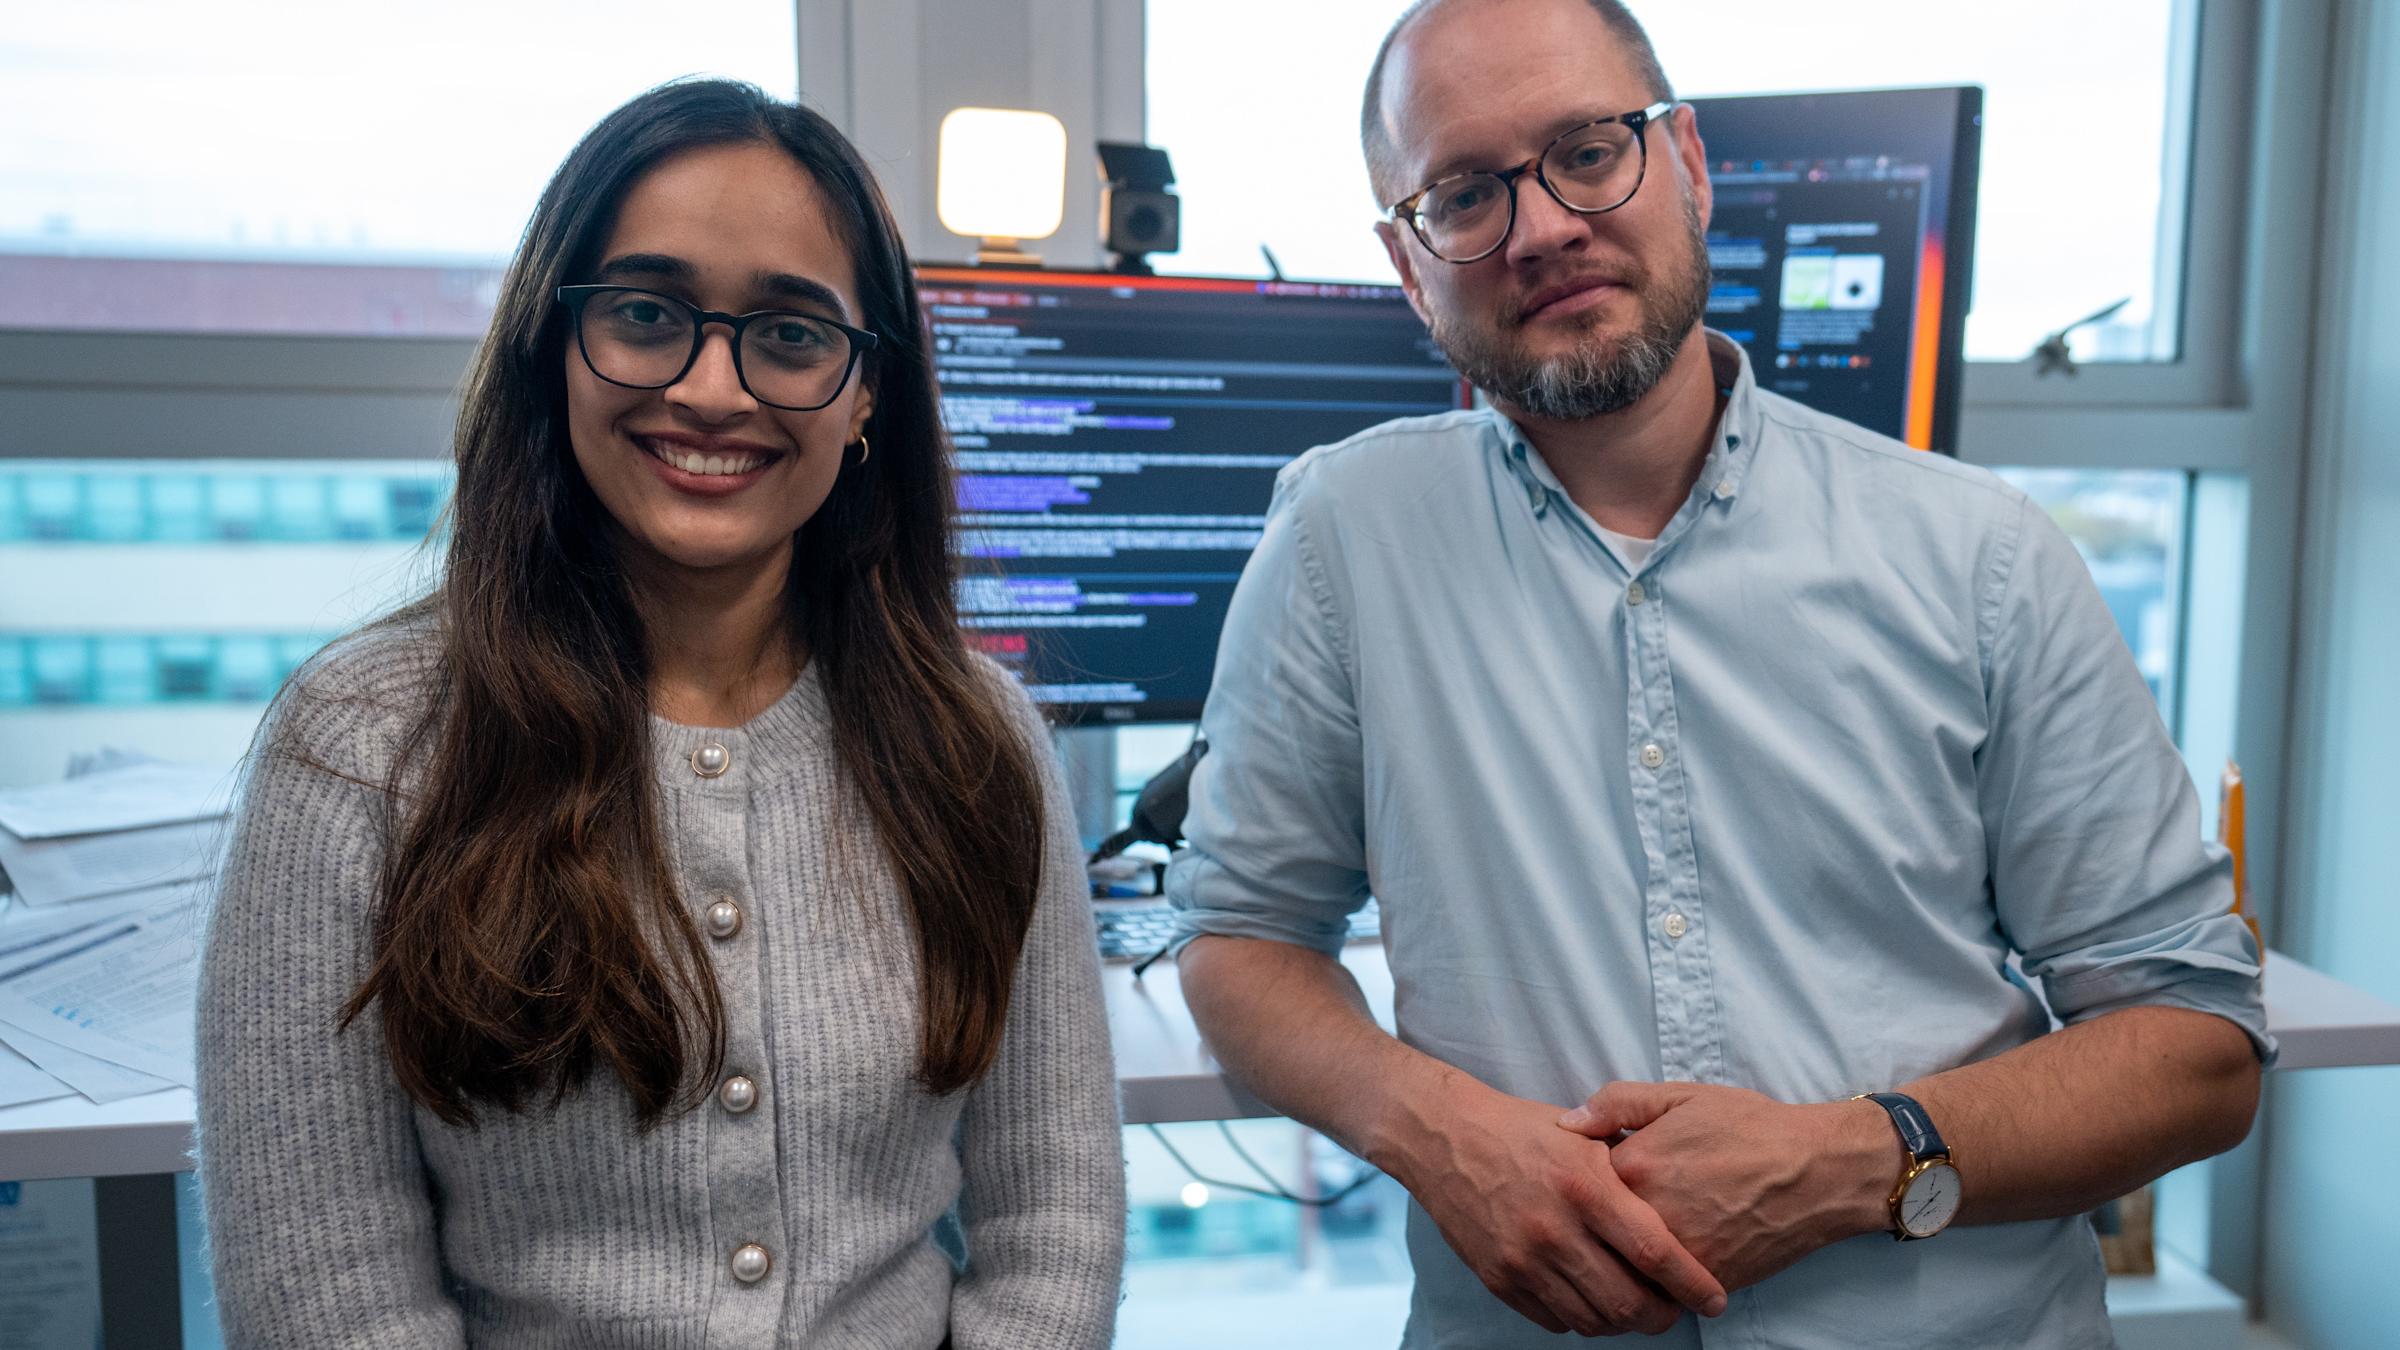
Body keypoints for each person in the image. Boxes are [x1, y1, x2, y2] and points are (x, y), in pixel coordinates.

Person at [1166, 1, 2269, 1345]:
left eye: (1586, 149)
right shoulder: (1343, 538)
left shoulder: (1981, 555)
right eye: (1463, 193)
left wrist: (1859, 1160)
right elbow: (1239, 936)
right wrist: (1442, 1132)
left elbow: (2194, 1048)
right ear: (1409, 264)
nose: (1543, 226)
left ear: (1687, 161)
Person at [195, 80, 1123, 1349]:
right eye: (646, 314)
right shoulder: (359, 748)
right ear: (554, 344)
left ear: (865, 399)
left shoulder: (978, 741)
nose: (711, 389)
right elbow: (329, 1299)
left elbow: (1055, 1230)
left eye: (792, 336)